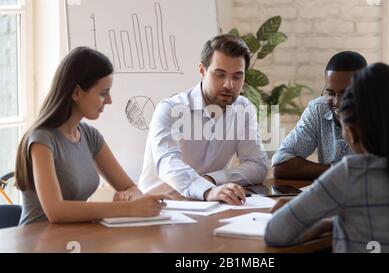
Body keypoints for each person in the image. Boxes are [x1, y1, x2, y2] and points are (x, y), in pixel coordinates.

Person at [265, 63, 389, 253]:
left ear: (350, 131)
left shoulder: (351, 174)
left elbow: (275, 233)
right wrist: (334, 223)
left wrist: (316, 219)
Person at [15, 47, 167, 225]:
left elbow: (130, 187)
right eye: (103, 93)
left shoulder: (89, 136)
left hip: (74, 239)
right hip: (38, 244)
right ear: (76, 92)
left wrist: (129, 196)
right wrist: (127, 208)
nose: (109, 100)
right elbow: (56, 211)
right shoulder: (41, 140)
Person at [138, 34, 268, 205]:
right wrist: (206, 189)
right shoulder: (170, 109)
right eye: (220, 75)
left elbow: (258, 165)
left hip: (208, 207)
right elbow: (167, 163)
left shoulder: (244, 110)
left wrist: (211, 180)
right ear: (202, 71)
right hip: (160, 208)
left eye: (237, 76)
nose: (229, 85)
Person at [272, 51, 367, 180]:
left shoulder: (383, 116)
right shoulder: (319, 109)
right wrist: (337, 170)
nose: (337, 102)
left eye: (346, 94)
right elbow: (280, 163)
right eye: (330, 93)